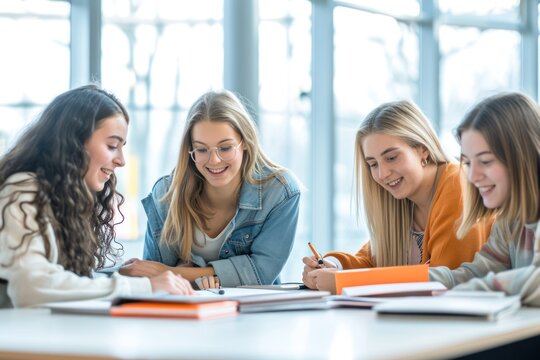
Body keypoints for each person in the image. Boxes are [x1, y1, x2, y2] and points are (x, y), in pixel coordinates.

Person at [0, 85, 194, 309]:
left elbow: (68, 285)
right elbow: (31, 288)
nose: (121, 160)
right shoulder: (21, 190)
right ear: (73, 142)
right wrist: (146, 287)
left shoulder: (67, 199)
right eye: (112, 146)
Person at [120, 90, 301, 288]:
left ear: (245, 143)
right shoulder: (165, 194)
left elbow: (260, 273)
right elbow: (153, 277)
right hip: (182, 311)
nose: (214, 160)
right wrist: (203, 275)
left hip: (253, 314)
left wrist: (174, 271)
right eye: (202, 149)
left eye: (225, 148)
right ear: (190, 151)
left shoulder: (280, 192)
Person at [303, 100, 492, 290]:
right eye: (373, 164)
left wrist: (343, 281)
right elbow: (371, 261)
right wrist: (332, 266)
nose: (382, 174)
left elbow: (443, 280)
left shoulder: (457, 185)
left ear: (422, 149)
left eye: (392, 158)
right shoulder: (404, 200)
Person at [429, 92, 540, 305]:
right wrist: (411, 282)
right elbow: (479, 272)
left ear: (523, 157)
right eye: (468, 163)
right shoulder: (511, 219)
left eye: (486, 161)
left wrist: (460, 293)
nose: (472, 177)